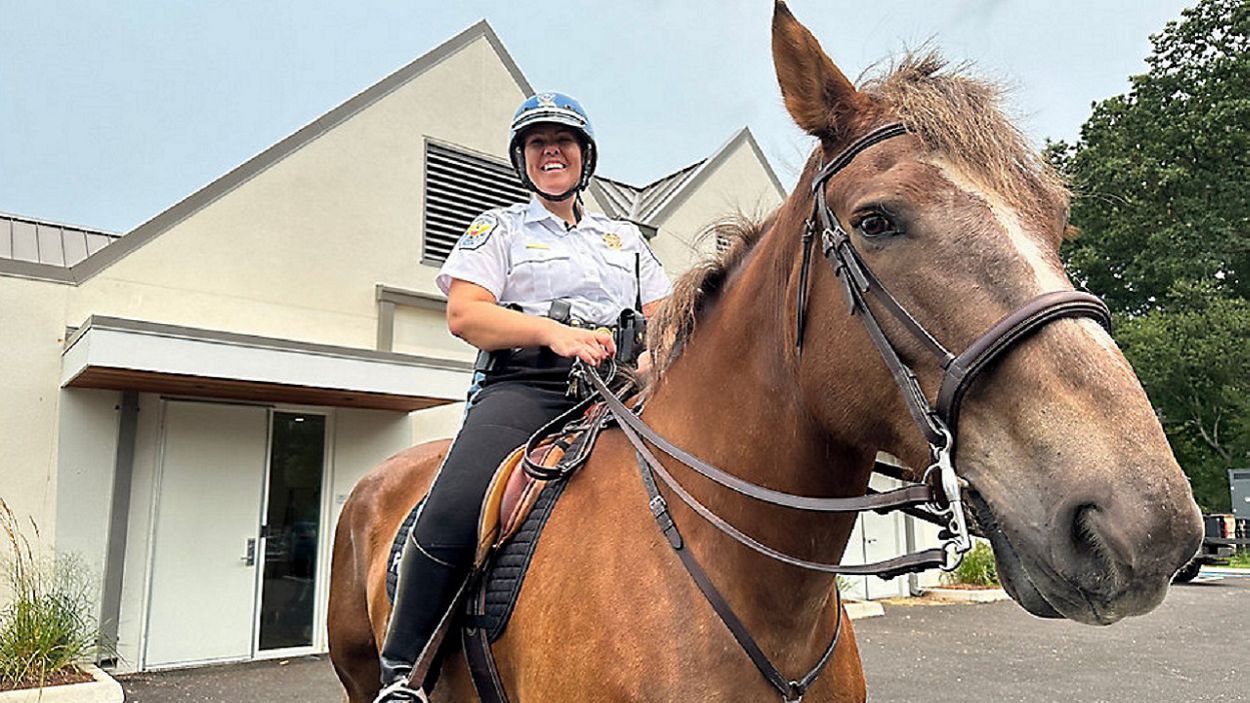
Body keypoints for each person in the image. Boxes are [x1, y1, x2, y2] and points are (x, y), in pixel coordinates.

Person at [374, 92, 672, 702]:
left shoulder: (625, 239)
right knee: (456, 506)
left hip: (621, 389)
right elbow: (465, 314)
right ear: (523, 158)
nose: (550, 152)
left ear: (585, 156)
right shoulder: (500, 229)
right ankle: (403, 675)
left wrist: (653, 357)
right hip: (529, 386)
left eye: (562, 141)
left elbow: (664, 317)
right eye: (538, 143)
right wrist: (553, 334)